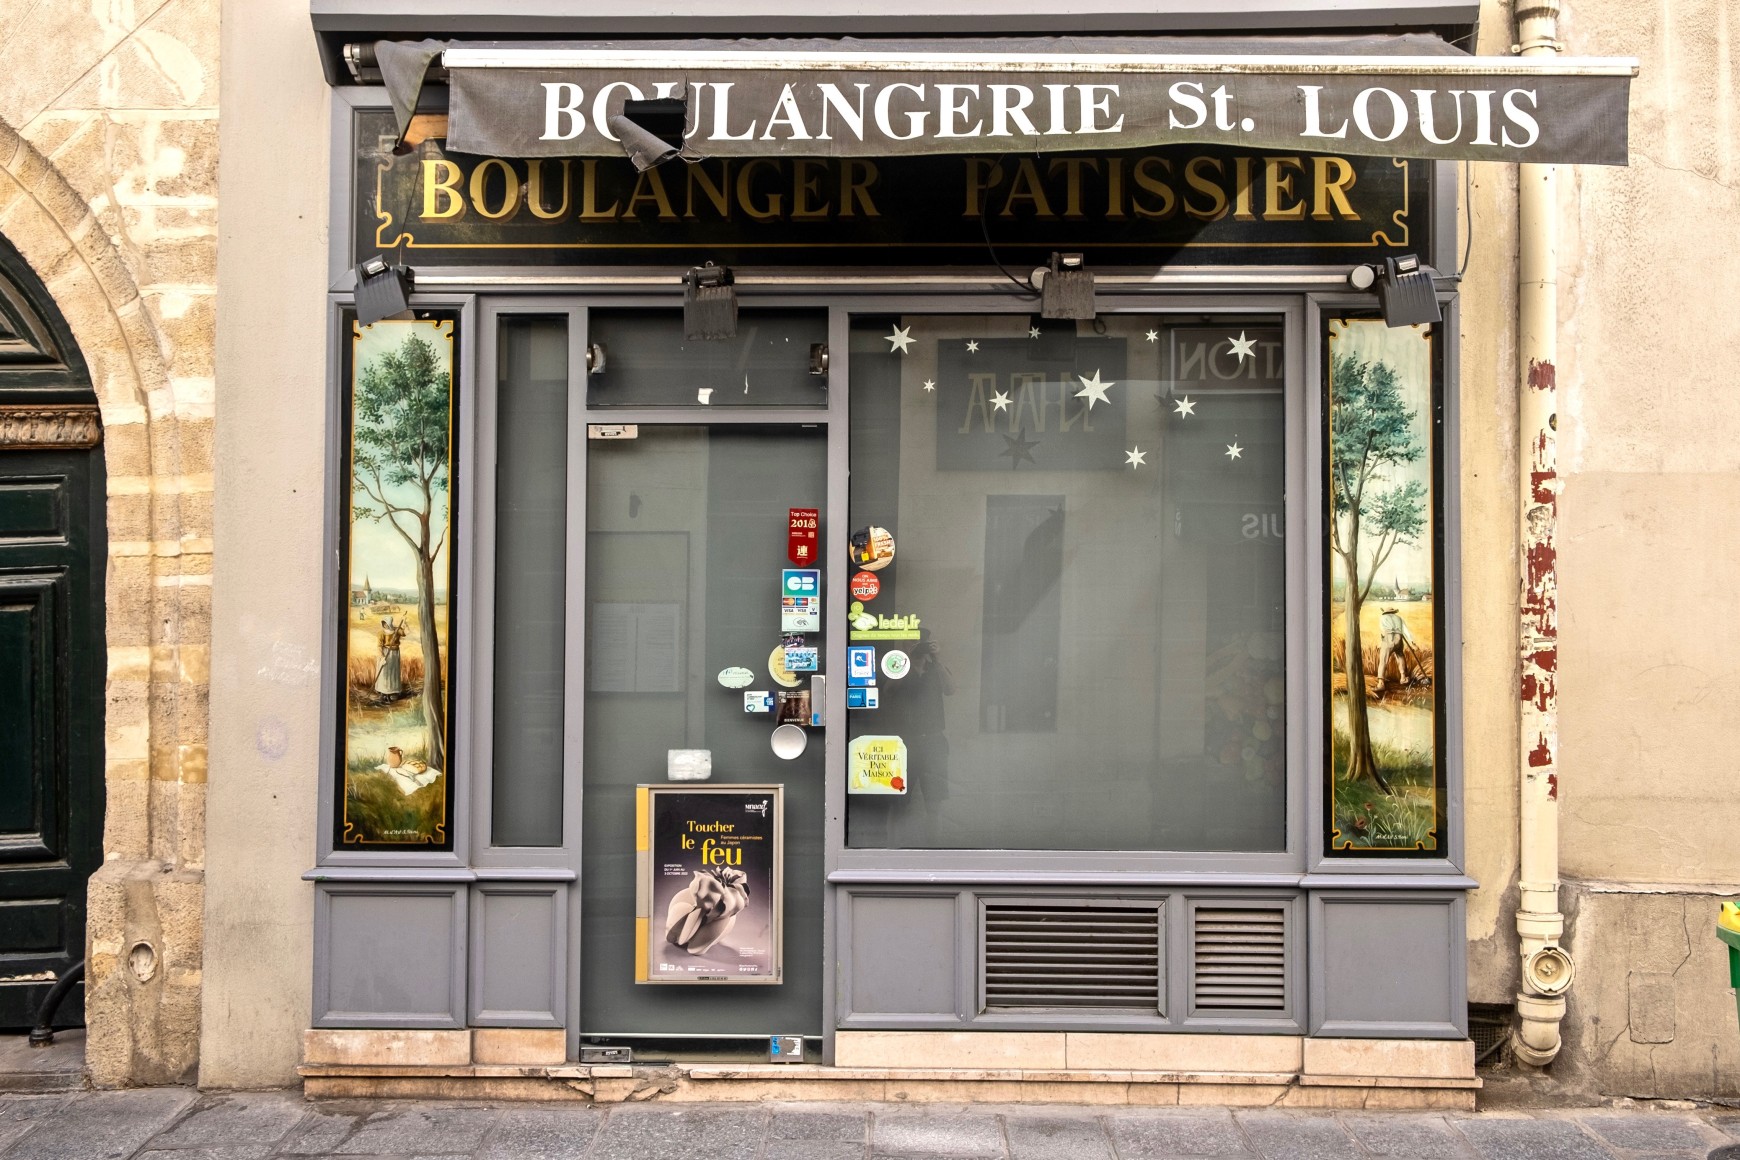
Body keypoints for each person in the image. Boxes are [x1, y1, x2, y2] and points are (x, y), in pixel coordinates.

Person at [1375, 606, 1416, 690]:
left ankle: (1381, 683)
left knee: (1383, 660)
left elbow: (1383, 630)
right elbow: (1406, 631)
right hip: (1399, 639)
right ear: (1393, 612)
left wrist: (1382, 642)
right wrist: (1412, 642)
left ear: (1385, 612)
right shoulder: (1399, 618)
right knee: (1400, 656)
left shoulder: (1383, 618)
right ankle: (1403, 678)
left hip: (1388, 638)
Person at [374, 616, 404, 697]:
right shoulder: (381, 633)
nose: (385, 625)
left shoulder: (396, 630)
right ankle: (383, 691)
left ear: (390, 623)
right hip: (385, 653)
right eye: (383, 623)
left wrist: (403, 624)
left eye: (386, 623)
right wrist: (382, 657)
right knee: (384, 672)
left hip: (394, 655)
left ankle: (393, 691)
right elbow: (379, 646)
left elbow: (403, 633)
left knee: (393, 672)